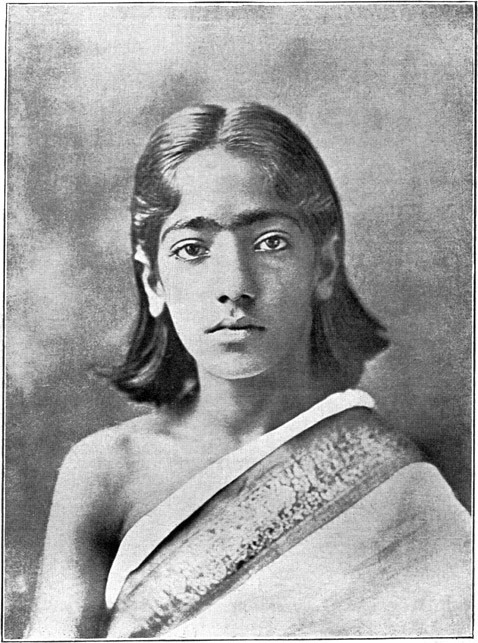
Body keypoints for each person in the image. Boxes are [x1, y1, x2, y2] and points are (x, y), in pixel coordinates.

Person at [26, 103, 471, 640]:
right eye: (193, 249)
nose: (235, 285)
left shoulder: (394, 486)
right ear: (153, 282)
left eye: (270, 243)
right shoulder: (106, 473)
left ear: (324, 266)